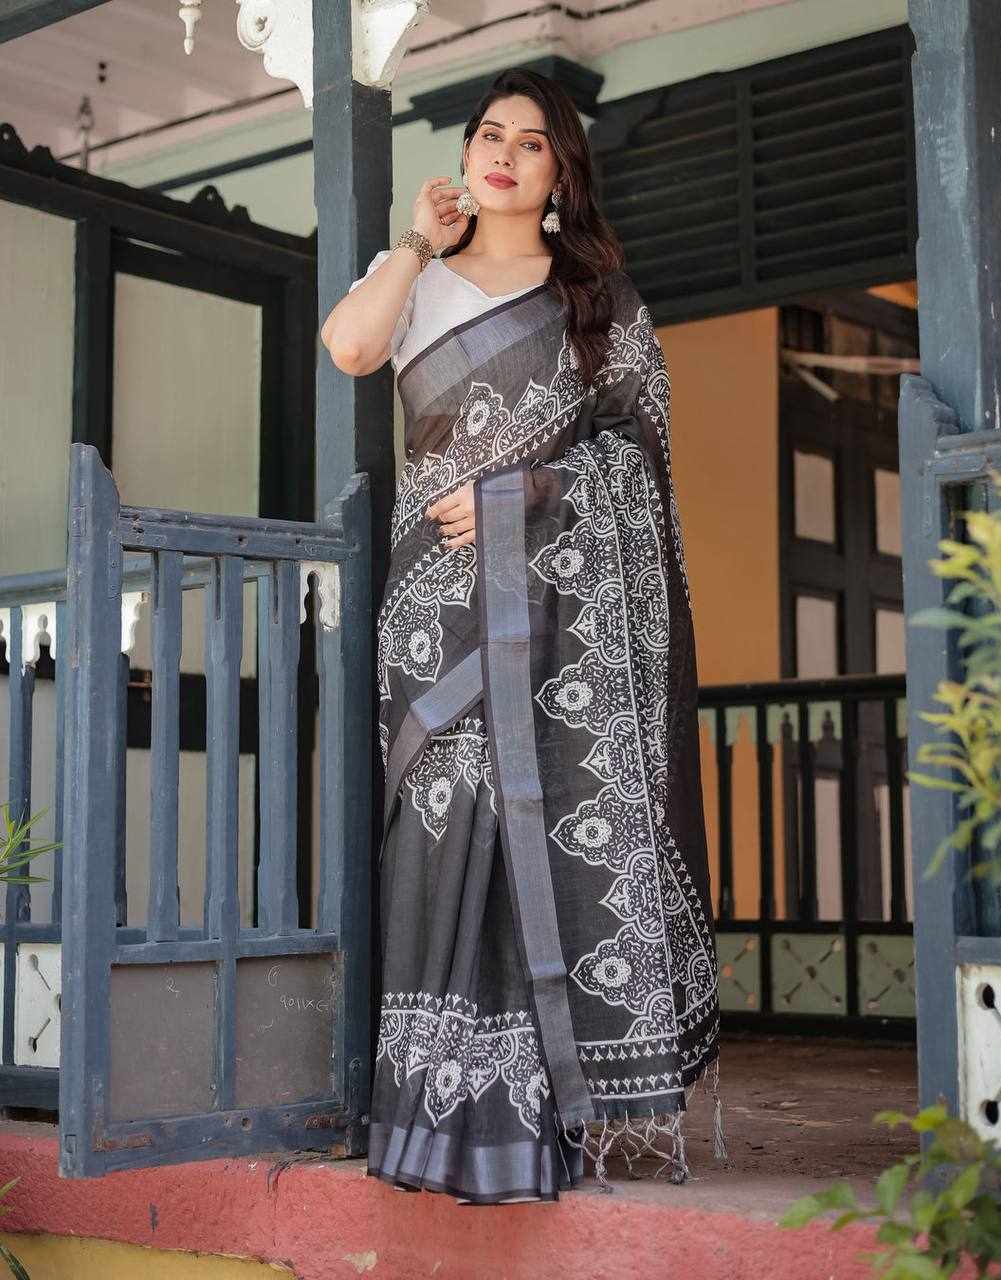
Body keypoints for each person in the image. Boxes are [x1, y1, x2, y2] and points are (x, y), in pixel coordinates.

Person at [321, 66, 723, 1205]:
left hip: (555, 613)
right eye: (488, 135)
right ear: (465, 154)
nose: (503, 155)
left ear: (561, 173)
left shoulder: (598, 301)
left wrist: (529, 491)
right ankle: (434, 1114)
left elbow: (638, 462)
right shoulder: (418, 280)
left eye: (531, 142)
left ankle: (541, 1119)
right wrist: (415, 242)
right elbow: (351, 349)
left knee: (540, 833)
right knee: (444, 830)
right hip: (434, 608)